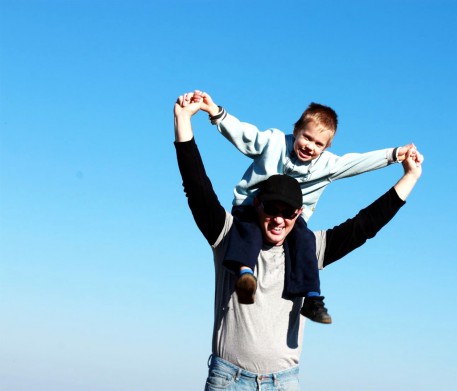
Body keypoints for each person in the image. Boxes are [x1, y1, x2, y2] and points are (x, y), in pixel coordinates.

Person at [173, 92, 424, 390]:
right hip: (230, 379)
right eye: (271, 209)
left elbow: (364, 226)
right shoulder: (230, 236)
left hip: (283, 383)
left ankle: (312, 297)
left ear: (298, 212)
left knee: (305, 240)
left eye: (288, 212)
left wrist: (407, 173)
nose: (279, 219)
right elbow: (197, 188)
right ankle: (245, 272)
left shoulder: (309, 248)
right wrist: (185, 120)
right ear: (258, 206)